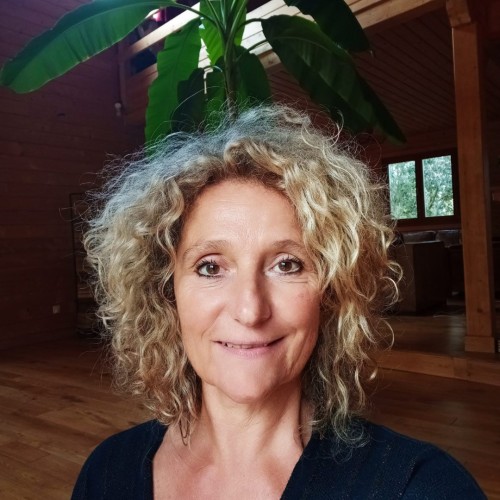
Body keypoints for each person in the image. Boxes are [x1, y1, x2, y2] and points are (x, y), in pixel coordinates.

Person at [72, 105, 485, 499]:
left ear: (331, 292)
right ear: (167, 293)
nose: (250, 311)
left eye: (287, 264)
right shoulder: (107, 474)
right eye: (210, 267)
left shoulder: (423, 487)